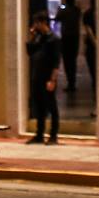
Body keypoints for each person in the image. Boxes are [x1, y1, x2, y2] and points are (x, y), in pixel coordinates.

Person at [25, 15, 62, 144]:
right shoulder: (39, 38)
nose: (35, 26)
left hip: (47, 77)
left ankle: (53, 135)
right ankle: (39, 134)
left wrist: (52, 80)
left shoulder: (54, 39)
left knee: (51, 107)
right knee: (39, 107)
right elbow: (29, 51)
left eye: (37, 23)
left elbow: (56, 62)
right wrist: (32, 36)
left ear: (44, 22)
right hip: (37, 76)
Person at [58, 0, 83, 94]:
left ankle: (70, 83)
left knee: (67, 61)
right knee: (73, 61)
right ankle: (72, 83)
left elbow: (57, 18)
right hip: (75, 38)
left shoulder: (64, 10)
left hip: (66, 38)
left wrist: (61, 6)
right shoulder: (77, 10)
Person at [81, 0, 98, 90]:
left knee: (94, 72)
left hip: (91, 45)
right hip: (92, 46)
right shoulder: (88, 13)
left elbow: (88, 30)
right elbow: (88, 30)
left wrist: (95, 42)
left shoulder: (88, 13)